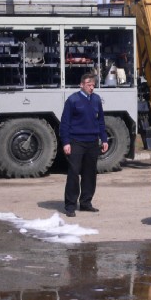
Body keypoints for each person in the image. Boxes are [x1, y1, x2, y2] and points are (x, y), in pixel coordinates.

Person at [60, 73, 109, 217]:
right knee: (74, 173)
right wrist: (66, 142)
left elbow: (101, 121)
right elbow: (65, 123)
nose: (91, 88)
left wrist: (104, 139)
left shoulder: (96, 100)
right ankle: (70, 205)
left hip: (92, 142)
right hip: (76, 141)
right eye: (89, 85)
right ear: (81, 85)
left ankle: (86, 202)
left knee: (90, 173)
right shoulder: (73, 100)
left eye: (93, 85)